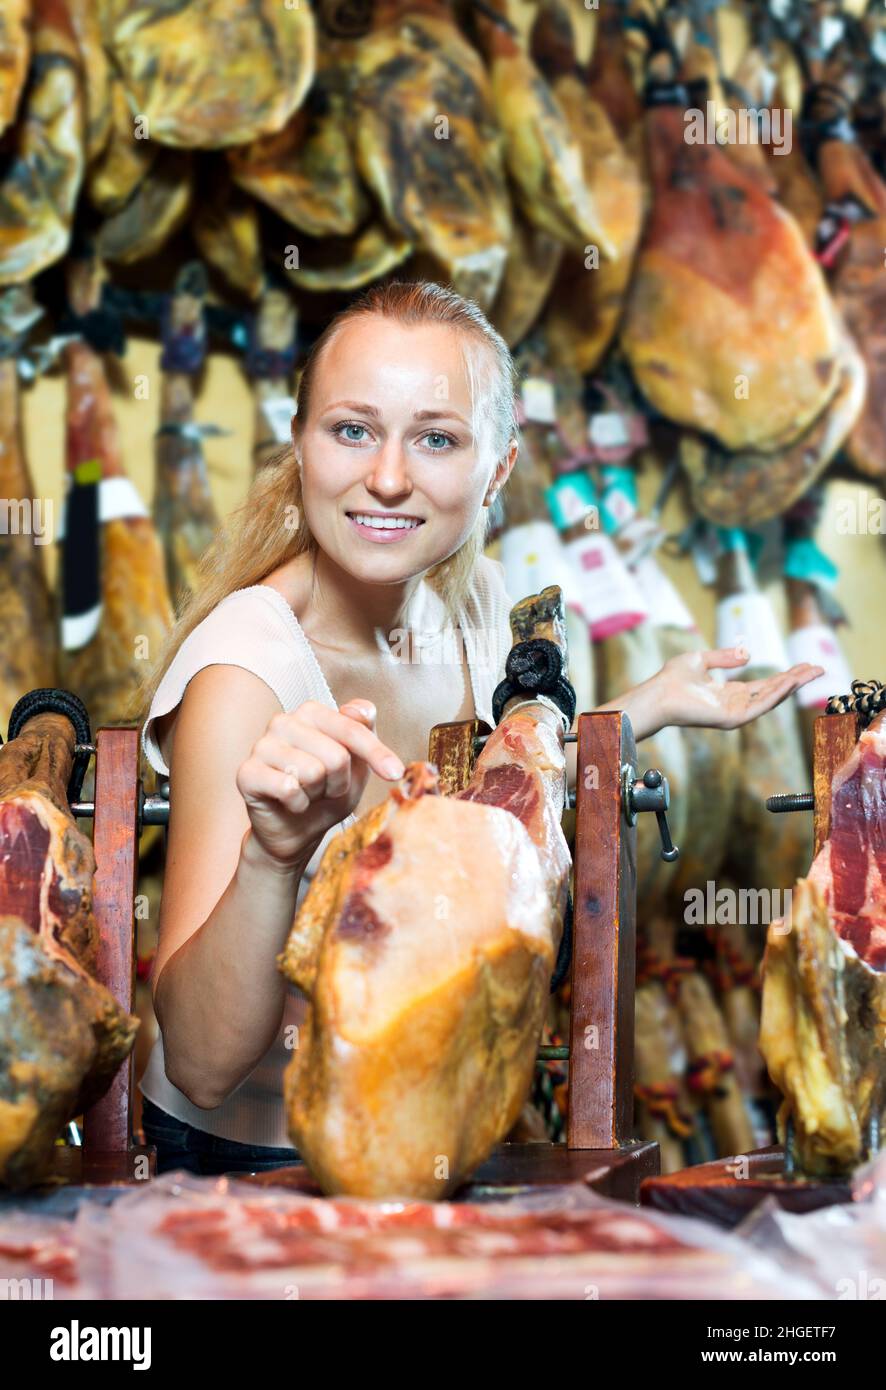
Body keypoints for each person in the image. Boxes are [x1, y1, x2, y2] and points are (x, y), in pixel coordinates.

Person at [135, 280, 823, 1175]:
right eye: (351, 430)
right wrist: (273, 857)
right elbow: (201, 1061)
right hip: (249, 1158)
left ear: (499, 467)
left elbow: (495, 798)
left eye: (436, 439)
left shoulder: (479, 604)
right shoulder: (244, 669)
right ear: (299, 445)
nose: (387, 475)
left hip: (431, 1120)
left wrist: (645, 709)